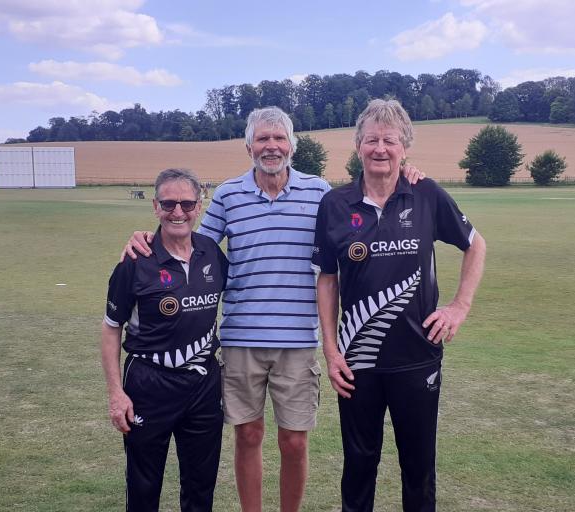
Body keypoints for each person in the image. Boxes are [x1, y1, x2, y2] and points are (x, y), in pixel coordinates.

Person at [123, 106, 424, 512]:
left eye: (279, 138)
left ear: (292, 146)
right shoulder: (229, 194)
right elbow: (192, 246)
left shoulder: (319, 192)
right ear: (249, 146)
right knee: (247, 435)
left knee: (295, 440)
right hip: (241, 341)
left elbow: (363, 213)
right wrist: (148, 236)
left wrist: (406, 174)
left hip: (298, 342)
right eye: (263, 139)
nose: (271, 146)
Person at [312, 99, 486, 512]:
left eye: (389, 140)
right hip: (358, 363)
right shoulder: (335, 205)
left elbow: (475, 244)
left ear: (404, 146)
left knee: (419, 468)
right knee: (358, 465)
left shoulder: (425, 194)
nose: (380, 148)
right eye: (371, 140)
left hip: (418, 357)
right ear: (357, 147)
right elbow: (327, 278)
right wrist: (331, 350)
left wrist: (459, 307)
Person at [102, 168, 228, 511]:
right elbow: (112, 328)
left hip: (203, 385)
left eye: (187, 204)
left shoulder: (212, 253)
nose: (178, 212)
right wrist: (116, 394)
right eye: (169, 203)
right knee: (144, 489)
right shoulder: (134, 262)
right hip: (149, 384)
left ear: (199, 205)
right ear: (155, 206)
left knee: (201, 489)